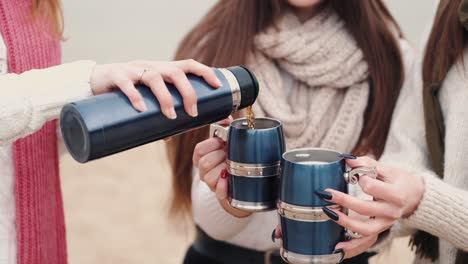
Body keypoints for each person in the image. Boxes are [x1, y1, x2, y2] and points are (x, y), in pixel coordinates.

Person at [166, 0, 413, 263]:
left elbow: (404, 191)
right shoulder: (216, 43)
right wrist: (230, 197)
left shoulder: (391, 56)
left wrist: (357, 204)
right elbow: (208, 215)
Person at [0, 1, 221, 264]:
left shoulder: (36, 5)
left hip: (32, 237)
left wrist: (116, 110)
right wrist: (88, 79)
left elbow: (34, 138)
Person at [317, 0, 468, 263]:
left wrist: (424, 200)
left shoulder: (387, 50)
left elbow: (418, 194)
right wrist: (370, 207)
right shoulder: (446, 12)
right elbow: (410, 151)